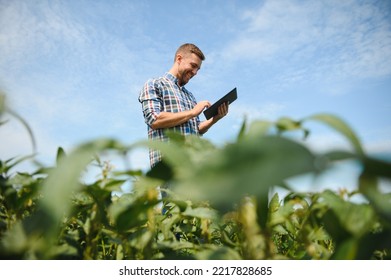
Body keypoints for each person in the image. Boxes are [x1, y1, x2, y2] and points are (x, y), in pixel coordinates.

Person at [138, 43, 229, 207]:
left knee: (198, 226)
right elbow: (154, 119)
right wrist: (193, 112)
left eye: (198, 69)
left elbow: (196, 130)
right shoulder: (154, 84)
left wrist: (215, 118)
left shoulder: (189, 96)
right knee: (176, 225)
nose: (195, 72)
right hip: (170, 167)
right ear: (179, 59)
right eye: (193, 66)